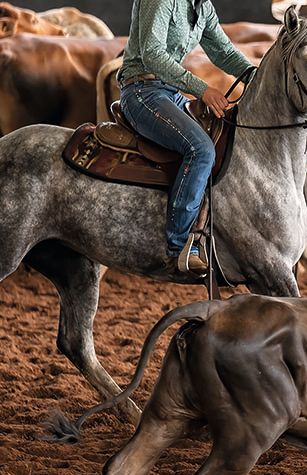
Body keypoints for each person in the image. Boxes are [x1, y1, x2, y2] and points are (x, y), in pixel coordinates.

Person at [119, 0, 254, 274]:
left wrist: (257, 76)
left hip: (169, 92)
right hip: (142, 92)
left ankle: (206, 231)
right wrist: (202, 89)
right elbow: (152, 54)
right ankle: (179, 246)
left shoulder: (203, 8)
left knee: (221, 138)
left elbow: (224, 51)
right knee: (201, 149)